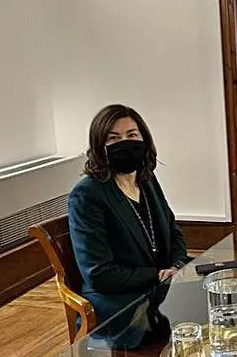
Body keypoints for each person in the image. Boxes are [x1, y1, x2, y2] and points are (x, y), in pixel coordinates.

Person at [69, 104, 190, 342]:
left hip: (160, 287)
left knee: (225, 295)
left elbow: (173, 232)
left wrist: (177, 265)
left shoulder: (147, 180)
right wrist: (157, 275)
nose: (125, 143)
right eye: (114, 138)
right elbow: (99, 275)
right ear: (100, 147)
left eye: (132, 135)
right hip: (120, 303)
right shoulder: (86, 195)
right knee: (196, 313)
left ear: (144, 139)